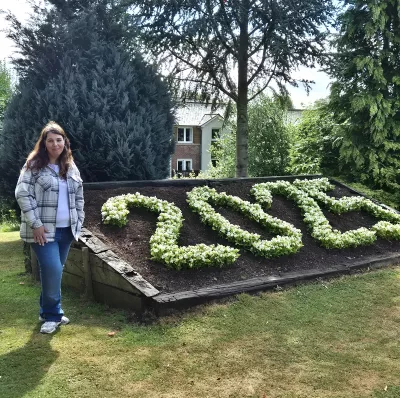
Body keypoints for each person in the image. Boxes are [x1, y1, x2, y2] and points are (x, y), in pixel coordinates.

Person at [15, 121, 84, 334]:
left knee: (54, 272)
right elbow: (22, 194)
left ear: (65, 142)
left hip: (66, 230)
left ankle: (47, 311)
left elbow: (79, 196)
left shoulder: (70, 166)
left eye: (59, 140)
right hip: (43, 232)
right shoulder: (33, 166)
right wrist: (36, 224)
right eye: (50, 140)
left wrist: (78, 221)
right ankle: (53, 315)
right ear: (44, 143)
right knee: (53, 269)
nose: (55, 144)